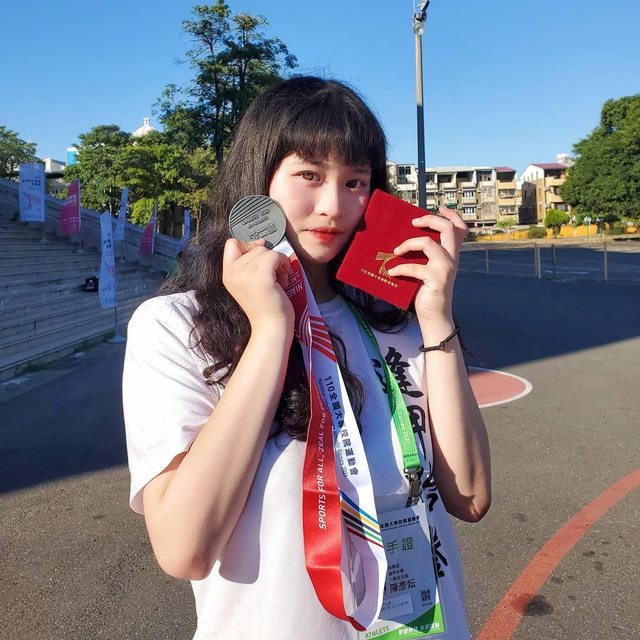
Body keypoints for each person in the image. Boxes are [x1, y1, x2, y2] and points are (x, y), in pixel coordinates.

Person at [123, 76, 491, 639]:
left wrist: (437, 317)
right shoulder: (177, 326)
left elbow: (470, 497)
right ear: (260, 179)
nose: (333, 207)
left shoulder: (397, 322)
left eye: (355, 182)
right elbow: (183, 548)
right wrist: (273, 329)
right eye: (310, 175)